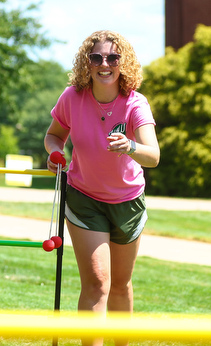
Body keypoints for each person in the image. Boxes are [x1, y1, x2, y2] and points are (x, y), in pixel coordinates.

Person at [44, 30, 160, 346]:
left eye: (112, 57)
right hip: (84, 198)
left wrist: (131, 146)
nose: (104, 64)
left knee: (121, 285)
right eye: (97, 57)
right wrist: (56, 153)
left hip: (128, 202)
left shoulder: (135, 103)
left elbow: (153, 155)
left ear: (124, 63)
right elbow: (54, 135)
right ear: (87, 63)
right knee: (97, 283)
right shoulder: (71, 98)